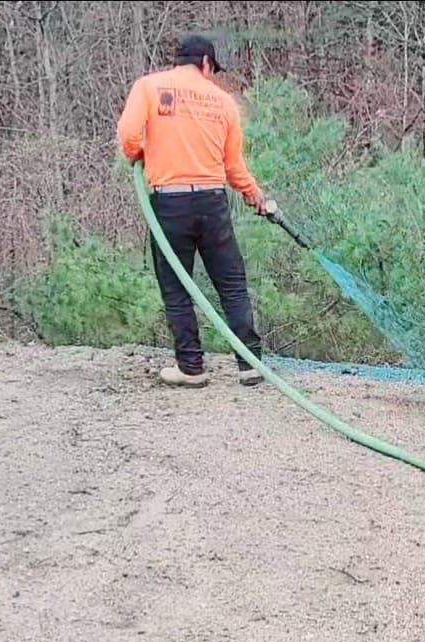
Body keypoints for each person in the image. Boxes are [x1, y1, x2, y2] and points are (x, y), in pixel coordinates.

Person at [117, 34, 277, 387]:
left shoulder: (149, 87)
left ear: (179, 61)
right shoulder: (223, 102)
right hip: (212, 202)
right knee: (232, 284)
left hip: (170, 203)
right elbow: (234, 167)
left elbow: (128, 134)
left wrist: (139, 154)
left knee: (176, 286)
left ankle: (191, 368)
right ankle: (250, 364)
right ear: (206, 63)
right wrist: (254, 195)